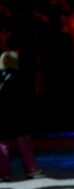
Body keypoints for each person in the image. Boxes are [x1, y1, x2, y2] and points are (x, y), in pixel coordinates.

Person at [0, 50, 42, 181]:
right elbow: (29, 98)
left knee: (2, 143)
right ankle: (31, 169)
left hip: (2, 113)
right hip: (19, 114)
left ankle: (4, 172)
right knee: (24, 142)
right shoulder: (22, 77)